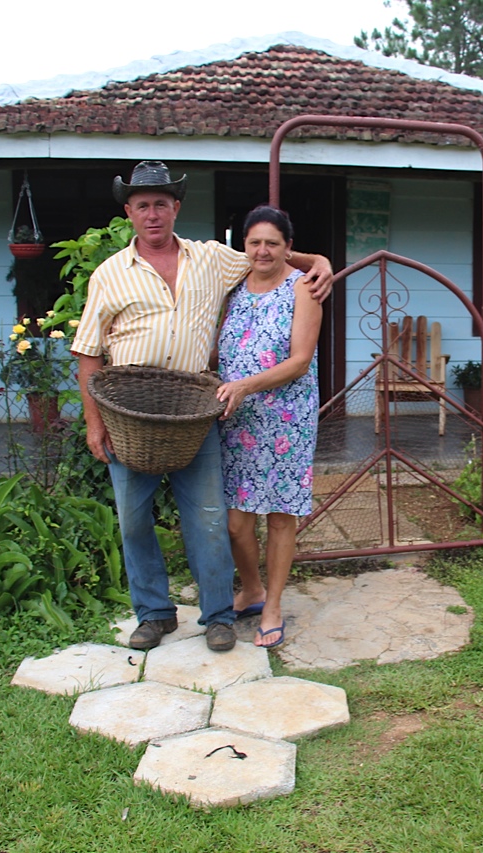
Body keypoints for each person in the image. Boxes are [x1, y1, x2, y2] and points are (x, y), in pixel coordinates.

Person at [71, 161, 332, 652]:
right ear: (129, 211)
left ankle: (216, 615)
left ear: (177, 208)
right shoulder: (109, 275)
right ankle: (153, 614)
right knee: (133, 519)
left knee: (210, 516)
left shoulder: (210, 259)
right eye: (143, 205)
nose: (153, 214)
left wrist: (318, 260)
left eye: (162, 204)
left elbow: (269, 256)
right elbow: (88, 353)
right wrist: (94, 423)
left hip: (196, 412)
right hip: (130, 415)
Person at [215, 205, 321, 648]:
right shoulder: (232, 288)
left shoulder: (303, 288)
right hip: (236, 419)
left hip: (286, 419)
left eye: (272, 243)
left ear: (288, 249)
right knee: (237, 522)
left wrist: (245, 384)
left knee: (280, 517)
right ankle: (252, 588)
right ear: (245, 246)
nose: (262, 250)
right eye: (255, 241)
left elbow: (299, 360)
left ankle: (273, 605)